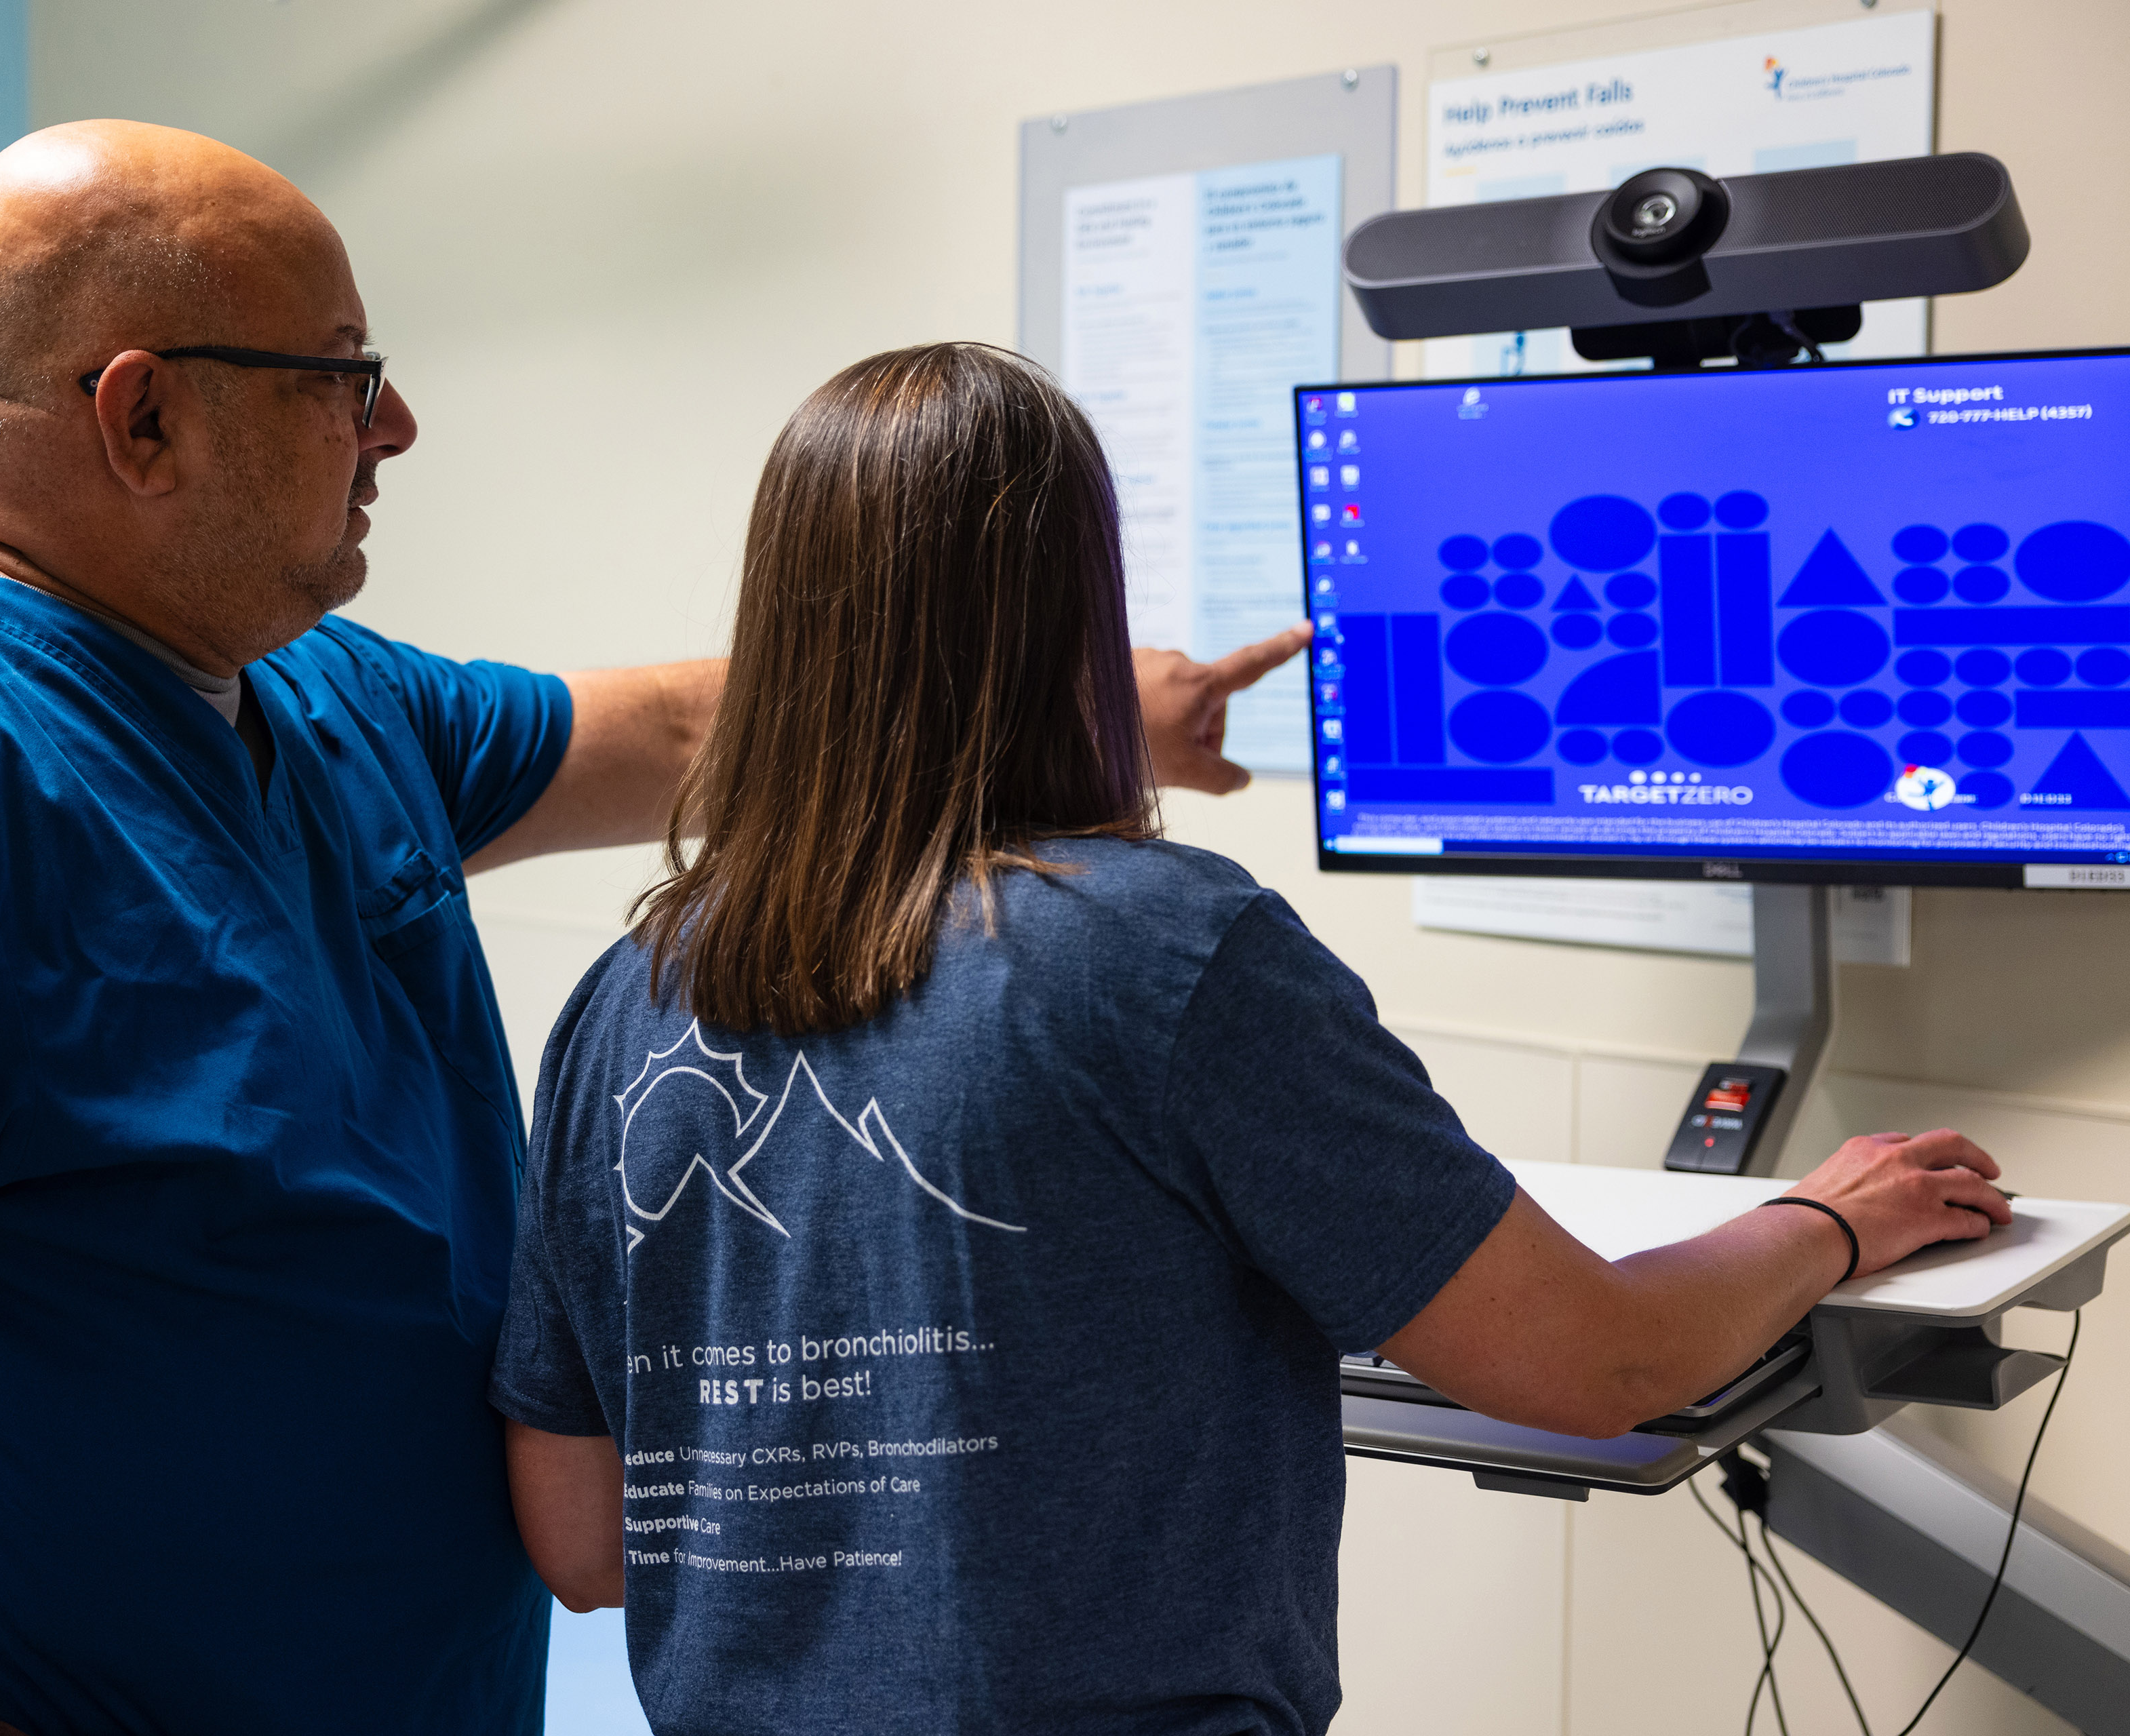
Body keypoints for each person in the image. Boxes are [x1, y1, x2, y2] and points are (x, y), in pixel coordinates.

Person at [0, 127, 1291, 1736]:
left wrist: (1075, 700)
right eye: (343, 378)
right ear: (141, 419)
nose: (395, 427)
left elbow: (692, 732)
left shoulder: (313, 695)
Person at [491, 342, 2014, 1736]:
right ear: (1075, 613)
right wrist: (1828, 1219)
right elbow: (1598, 1360)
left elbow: (581, 1541)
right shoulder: (1159, 947)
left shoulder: (629, 995)